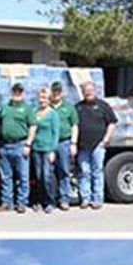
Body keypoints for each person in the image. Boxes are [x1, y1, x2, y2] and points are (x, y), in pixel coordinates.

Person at [75, 81, 117, 209]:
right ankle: (85, 199)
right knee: (84, 172)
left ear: (95, 90)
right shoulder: (78, 107)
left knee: (97, 172)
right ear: (82, 93)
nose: (88, 92)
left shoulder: (103, 106)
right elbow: (74, 125)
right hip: (82, 146)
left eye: (90, 90)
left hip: (98, 145)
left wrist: (105, 140)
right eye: (85, 91)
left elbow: (112, 123)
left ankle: (97, 199)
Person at [0, 83, 37, 213]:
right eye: (15, 91)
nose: (17, 94)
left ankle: (22, 203)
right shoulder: (5, 108)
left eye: (19, 91)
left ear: (23, 93)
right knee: (6, 177)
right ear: (11, 92)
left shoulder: (27, 109)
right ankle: (7, 202)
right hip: (5, 146)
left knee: (23, 177)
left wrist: (28, 144)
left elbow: (33, 126)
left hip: (20, 145)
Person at [50, 81, 79, 211]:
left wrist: (73, 143)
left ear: (61, 93)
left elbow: (74, 126)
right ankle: (50, 199)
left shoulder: (69, 108)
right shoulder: (47, 107)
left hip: (64, 143)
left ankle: (64, 199)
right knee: (48, 173)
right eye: (54, 91)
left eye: (58, 91)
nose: (56, 94)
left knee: (64, 171)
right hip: (49, 144)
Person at [32, 87, 60, 214]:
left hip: (47, 149)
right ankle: (40, 201)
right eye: (40, 97)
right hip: (36, 148)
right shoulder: (35, 112)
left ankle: (50, 202)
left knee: (46, 176)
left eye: (44, 98)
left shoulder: (53, 114)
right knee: (38, 176)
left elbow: (56, 133)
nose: (42, 100)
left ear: (49, 99)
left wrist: (53, 150)